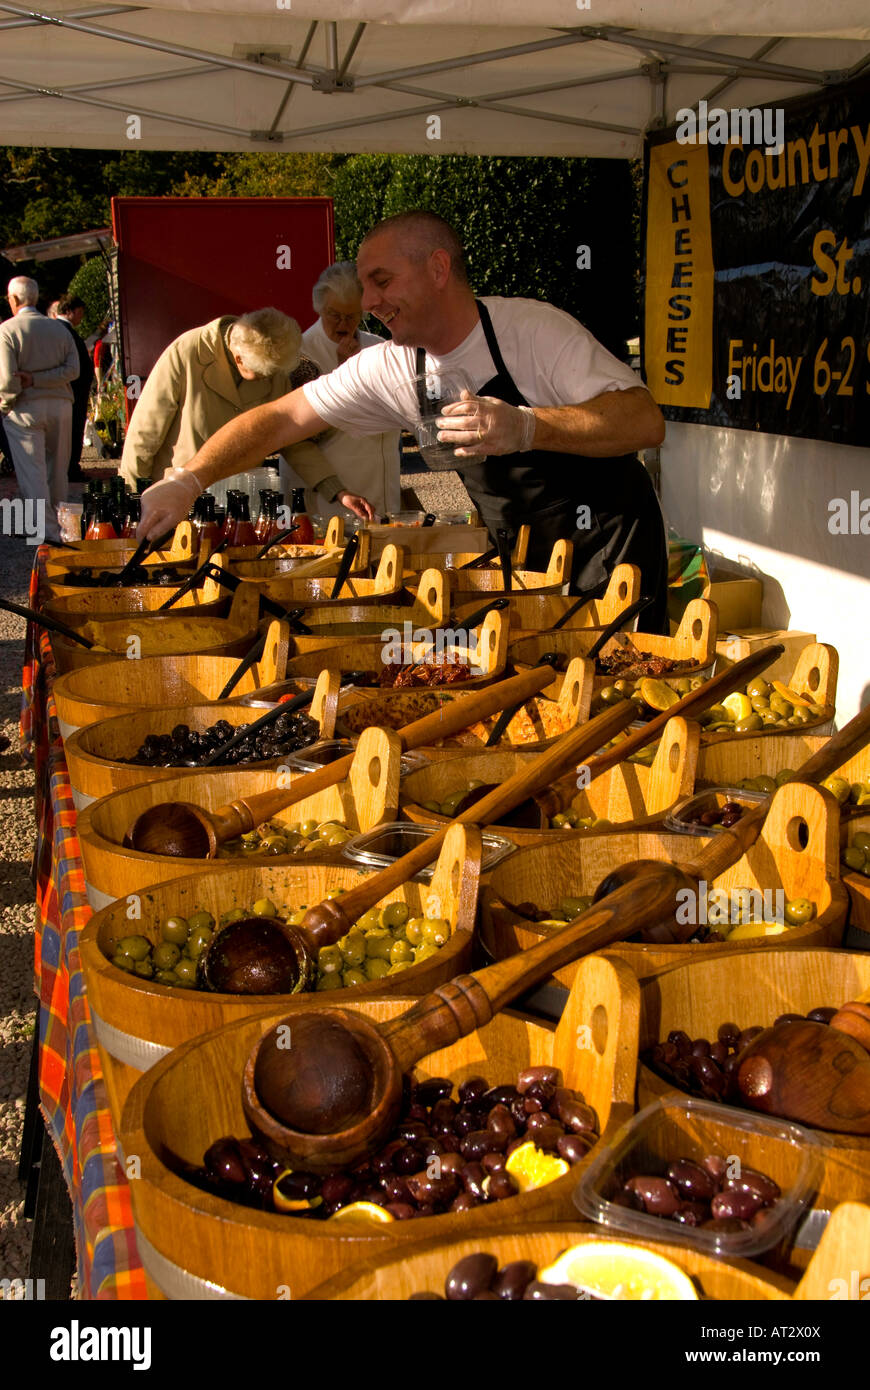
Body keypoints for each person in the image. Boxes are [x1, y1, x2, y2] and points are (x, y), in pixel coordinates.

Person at [137, 212, 667, 624]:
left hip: (610, 549)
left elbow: (645, 421)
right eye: (366, 287)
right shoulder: (391, 366)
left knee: (629, 698)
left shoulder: (532, 330)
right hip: (525, 561)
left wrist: (529, 427)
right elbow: (279, 419)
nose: (370, 301)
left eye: (382, 281)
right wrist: (189, 478)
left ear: (438, 269)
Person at [119, 306, 370, 516]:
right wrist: (131, 501)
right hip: (180, 501)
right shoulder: (186, 352)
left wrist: (337, 490)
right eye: (261, 374)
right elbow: (144, 435)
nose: (267, 380)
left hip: (240, 507)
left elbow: (291, 436)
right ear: (238, 358)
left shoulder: (272, 370)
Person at [284, 261, 402, 521]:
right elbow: (302, 435)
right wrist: (343, 372)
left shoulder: (378, 347)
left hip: (382, 489)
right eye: (334, 314)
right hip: (330, 499)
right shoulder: (299, 356)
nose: (343, 324)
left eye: (351, 316)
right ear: (319, 308)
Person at [0, 275, 80, 543]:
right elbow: (73, 371)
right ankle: (63, 527)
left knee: (32, 474)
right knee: (58, 469)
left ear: (14, 299)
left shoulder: (7, 331)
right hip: (60, 404)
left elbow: (7, 381)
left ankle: (46, 532)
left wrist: (5, 405)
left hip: (24, 409)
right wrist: (42, 379)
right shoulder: (60, 329)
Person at [55, 293, 95, 482]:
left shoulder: (61, 330)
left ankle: (70, 467)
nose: (81, 317)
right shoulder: (65, 331)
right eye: (80, 312)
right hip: (74, 392)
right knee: (73, 431)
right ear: (70, 311)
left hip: (73, 390)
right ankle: (71, 468)